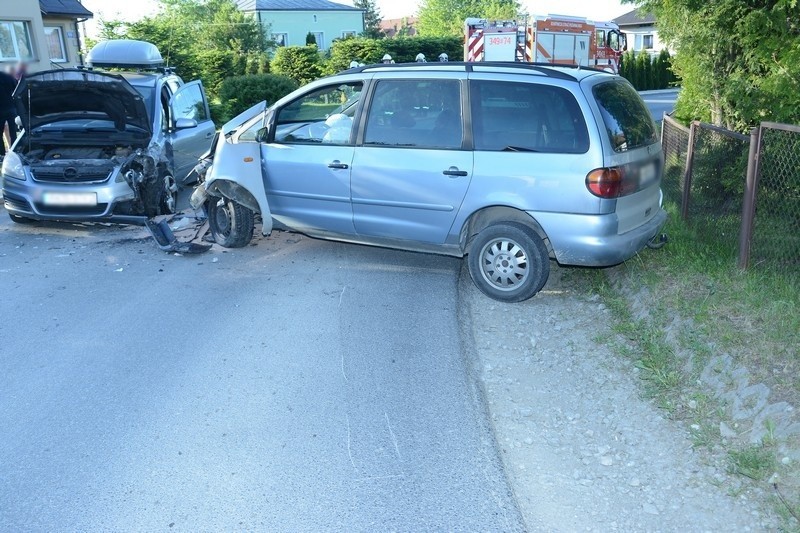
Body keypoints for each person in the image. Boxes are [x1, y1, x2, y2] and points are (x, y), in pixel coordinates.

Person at [0, 65, 18, 158]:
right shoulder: (8, 76)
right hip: (11, 107)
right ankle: (15, 150)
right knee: (13, 131)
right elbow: (17, 88)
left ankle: (2, 154)